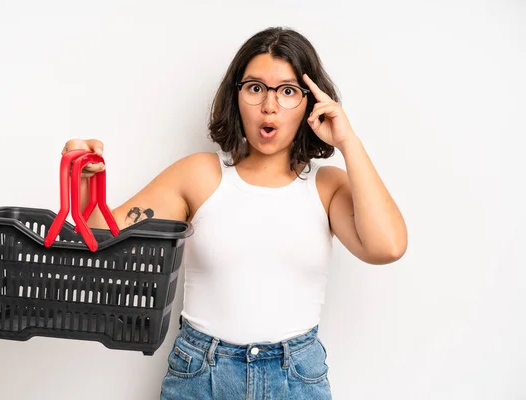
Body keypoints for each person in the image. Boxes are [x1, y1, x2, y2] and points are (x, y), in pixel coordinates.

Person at [62, 26, 407, 399]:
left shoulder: (326, 186)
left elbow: (386, 246)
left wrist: (348, 142)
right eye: (255, 88)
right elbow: (97, 239)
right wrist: (83, 177)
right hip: (200, 374)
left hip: (296, 377)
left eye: (288, 91)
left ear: (311, 103)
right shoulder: (199, 175)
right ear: (236, 96)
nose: (269, 106)